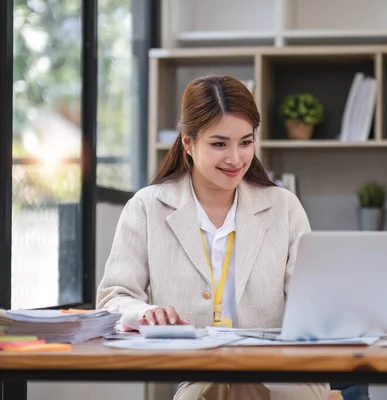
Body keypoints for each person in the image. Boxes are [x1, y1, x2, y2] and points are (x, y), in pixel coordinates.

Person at [96, 75, 332, 400]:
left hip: (282, 368)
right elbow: (113, 299)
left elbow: (314, 302)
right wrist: (146, 313)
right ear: (188, 143)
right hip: (200, 369)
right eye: (219, 144)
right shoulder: (148, 207)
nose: (236, 158)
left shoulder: (283, 206)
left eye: (246, 142)